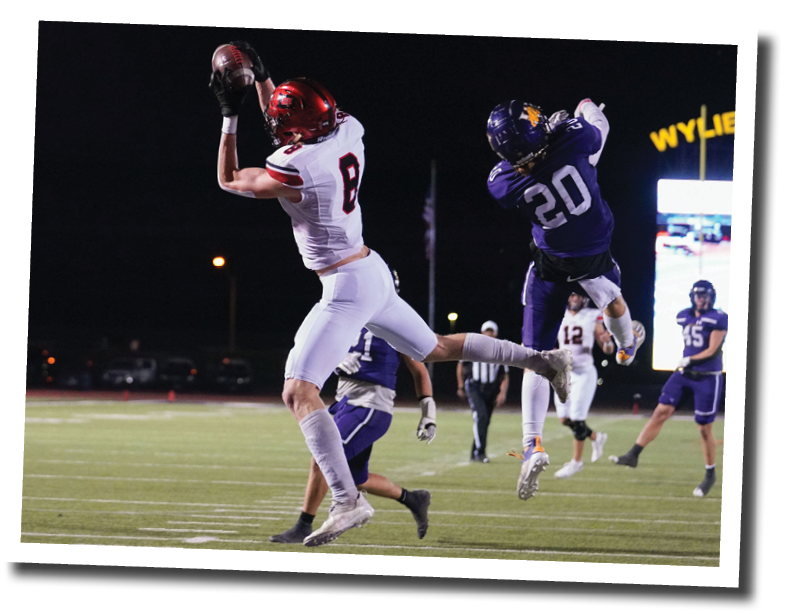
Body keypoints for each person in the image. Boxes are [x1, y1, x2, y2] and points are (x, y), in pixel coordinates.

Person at [209, 41, 573, 546]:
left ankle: (348, 501)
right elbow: (284, 121)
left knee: (299, 390)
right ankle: (542, 361)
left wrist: (230, 113)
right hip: (371, 268)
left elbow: (230, 178)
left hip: (345, 286)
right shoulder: (347, 129)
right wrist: (267, 79)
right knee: (437, 348)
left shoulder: (299, 168)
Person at [486, 98, 646, 500]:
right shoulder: (574, 140)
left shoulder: (502, 183)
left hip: (549, 260)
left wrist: (543, 141)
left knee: (535, 356)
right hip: (591, 252)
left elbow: (518, 169)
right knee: (612, 301)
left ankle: (532, 444)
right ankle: (627, 347)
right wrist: (583, 108)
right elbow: (599, 130)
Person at [271, 322, 435, 543]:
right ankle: (412, 498)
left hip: (371, 406)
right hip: (344, 404)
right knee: (356, 479)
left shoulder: (395, 325)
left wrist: (428, 414)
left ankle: (304, 525)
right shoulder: (349, 317)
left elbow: (419, 371)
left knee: (323, 458)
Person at [610, 280, 727, 497]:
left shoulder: (718, 318)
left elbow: (712, 350)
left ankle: (710, 474)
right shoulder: (684, 315)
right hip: (684, 374)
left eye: (705, 295)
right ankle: (633, 454)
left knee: (703, 428)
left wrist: (689, 359)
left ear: (712, 297)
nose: (701, 299)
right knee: (660, 412)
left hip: (707, 377)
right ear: (692, 297)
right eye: (698, 295)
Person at [551, 293, 615, 479]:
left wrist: (607, 341)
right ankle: (596, 437)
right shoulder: (559, 314)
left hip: (584, 372)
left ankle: (576, 463)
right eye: (571, 294)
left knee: (577, 419)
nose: (574, 298)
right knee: (564, 419)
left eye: (578, 295)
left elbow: (607, 349)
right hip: (564, 373)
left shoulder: (592, 315)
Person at [456, 320, 509, 463]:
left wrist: (502, 392)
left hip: (491, 388)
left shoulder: (500, 351)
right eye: (487, 331)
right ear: (482, 333)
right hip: (475, 387)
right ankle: (480, 452)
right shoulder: (473, 348)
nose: (489, 334)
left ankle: (474, 452)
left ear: (496, 334)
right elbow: (460, 366)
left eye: (492, 331)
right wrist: (461, 385)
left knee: (484, 421)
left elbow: (504, 375)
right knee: (481, 416)